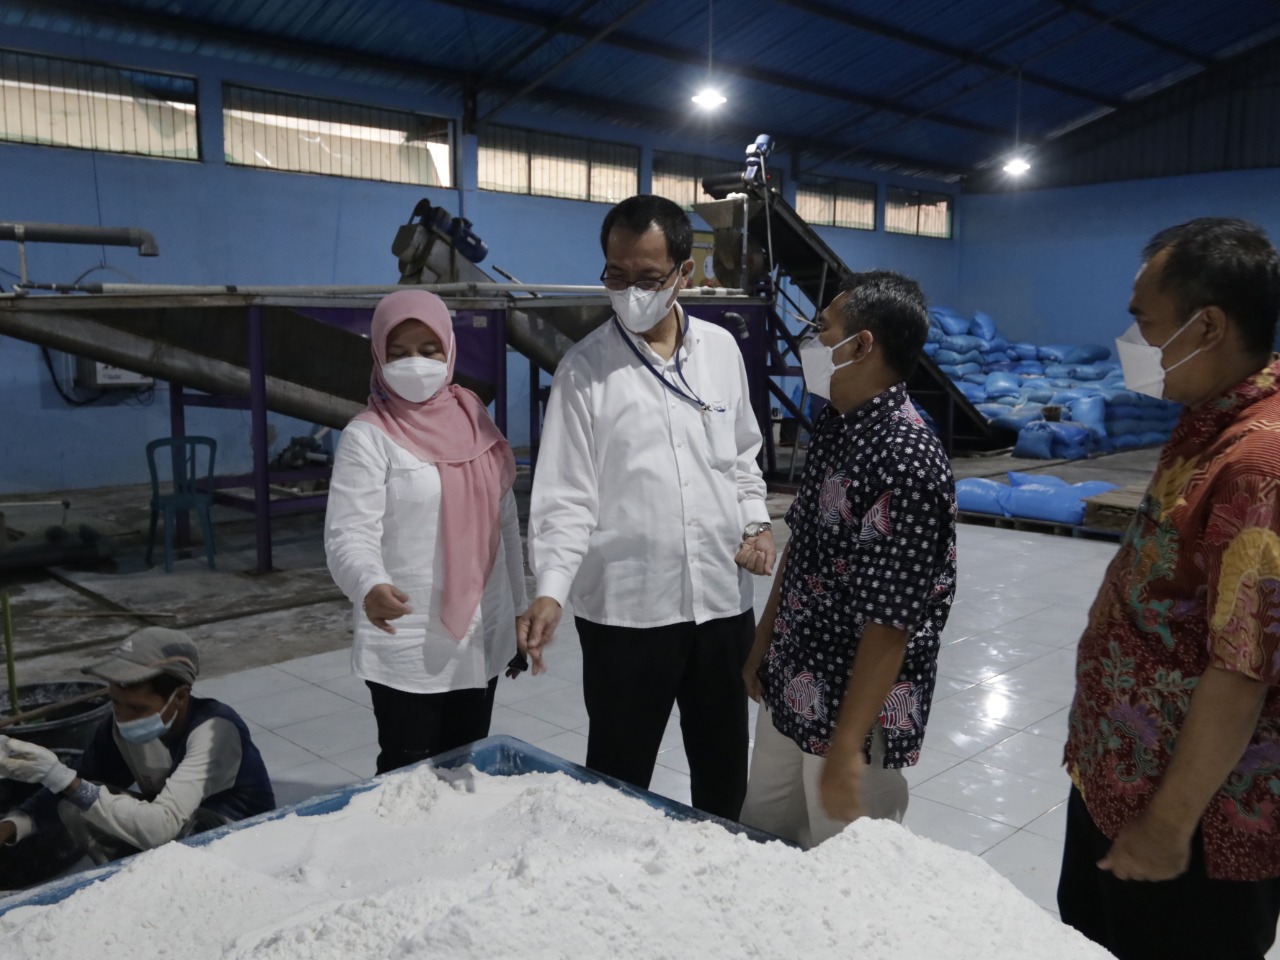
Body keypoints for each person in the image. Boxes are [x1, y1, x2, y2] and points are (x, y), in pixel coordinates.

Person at [1058, 218, 1280, 960]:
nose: (1133, 342)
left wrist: (1167, 824)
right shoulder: (1208, 421)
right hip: (1115, 784)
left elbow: (1240, 670)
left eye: (1143, 323)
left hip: (1187, 832)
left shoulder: (1258, 467)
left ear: (1207, 325)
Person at [518, 194, 774, 820]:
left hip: (719, 600)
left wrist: (757, 524)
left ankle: (721, 877)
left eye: (649, 279)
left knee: (721, 766)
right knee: (618, 772)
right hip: (628, 611)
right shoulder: (585, 371)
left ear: (685, 273)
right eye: (617, 275)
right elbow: (565, 495)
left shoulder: (720, 352)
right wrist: (551, 589)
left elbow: (743, 458)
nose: (631, 292)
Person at [737, 272, 956, 847]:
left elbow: (890, 623)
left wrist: (844, 750)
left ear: (861, 345)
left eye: (821, 328)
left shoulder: (906, 459)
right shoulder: (839, 422)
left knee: (846, 865)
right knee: (763, 831)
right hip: (795, 678)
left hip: (853, 711)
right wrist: (763, 646)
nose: (809, 339)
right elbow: (804, 543)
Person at [325, 288, 526, 774]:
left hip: (480, 634)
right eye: (398, 353)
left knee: (466, 764)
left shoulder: (476, 421)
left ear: (449, 350)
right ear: (377, 356)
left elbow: (506, 528)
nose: (414, 363)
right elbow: (348, 533)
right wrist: (367, 584)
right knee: (406, 772)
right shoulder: (368, 436)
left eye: (428, 349)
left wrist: (518, 613)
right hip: (407, 639)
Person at [0, 628, 274, 865]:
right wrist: (14, 824)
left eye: (137, 708)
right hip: (174, 834)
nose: (123, 716)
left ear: (180, 697)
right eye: (116, 703)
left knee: (180, 824)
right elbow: (72, 788)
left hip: (244, 840)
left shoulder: (215, 732)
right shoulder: (119, 729)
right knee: (78, 804)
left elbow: (161, 826)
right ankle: (131, 879)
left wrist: (60, 777)